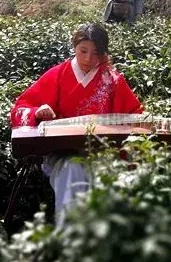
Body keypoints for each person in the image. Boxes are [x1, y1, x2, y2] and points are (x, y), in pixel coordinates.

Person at [9, 23, 143, 228]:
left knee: (109, 175)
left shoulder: (112, 80)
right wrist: (38, 112)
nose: (88, 59)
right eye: (83, 51)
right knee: (73, 168)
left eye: (96, 53)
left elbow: (134, 115)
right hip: (63, 152)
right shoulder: (58, 74)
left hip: (103, 152)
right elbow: (21, 107)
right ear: (74, 47)